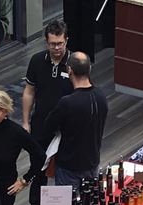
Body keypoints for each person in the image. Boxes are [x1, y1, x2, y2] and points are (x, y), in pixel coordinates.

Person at [22, 19, 72, 205]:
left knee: (64, 167)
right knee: (37, 164)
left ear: (66, 41)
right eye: (52, 44)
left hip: (66, 127)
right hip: (41, 123)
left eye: (60, 43)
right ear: (46, 42)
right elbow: (29, 92)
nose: (56, 48)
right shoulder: (36, 61)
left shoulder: (74, 63)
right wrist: (25, 121)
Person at [44, 51, 108, 187]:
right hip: (92, 162)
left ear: (69, 70)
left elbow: (48, 126)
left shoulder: (67, 102)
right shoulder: (101, 96)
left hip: (69, 166)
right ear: (89, 69)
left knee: (67, 201)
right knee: (90, 199)